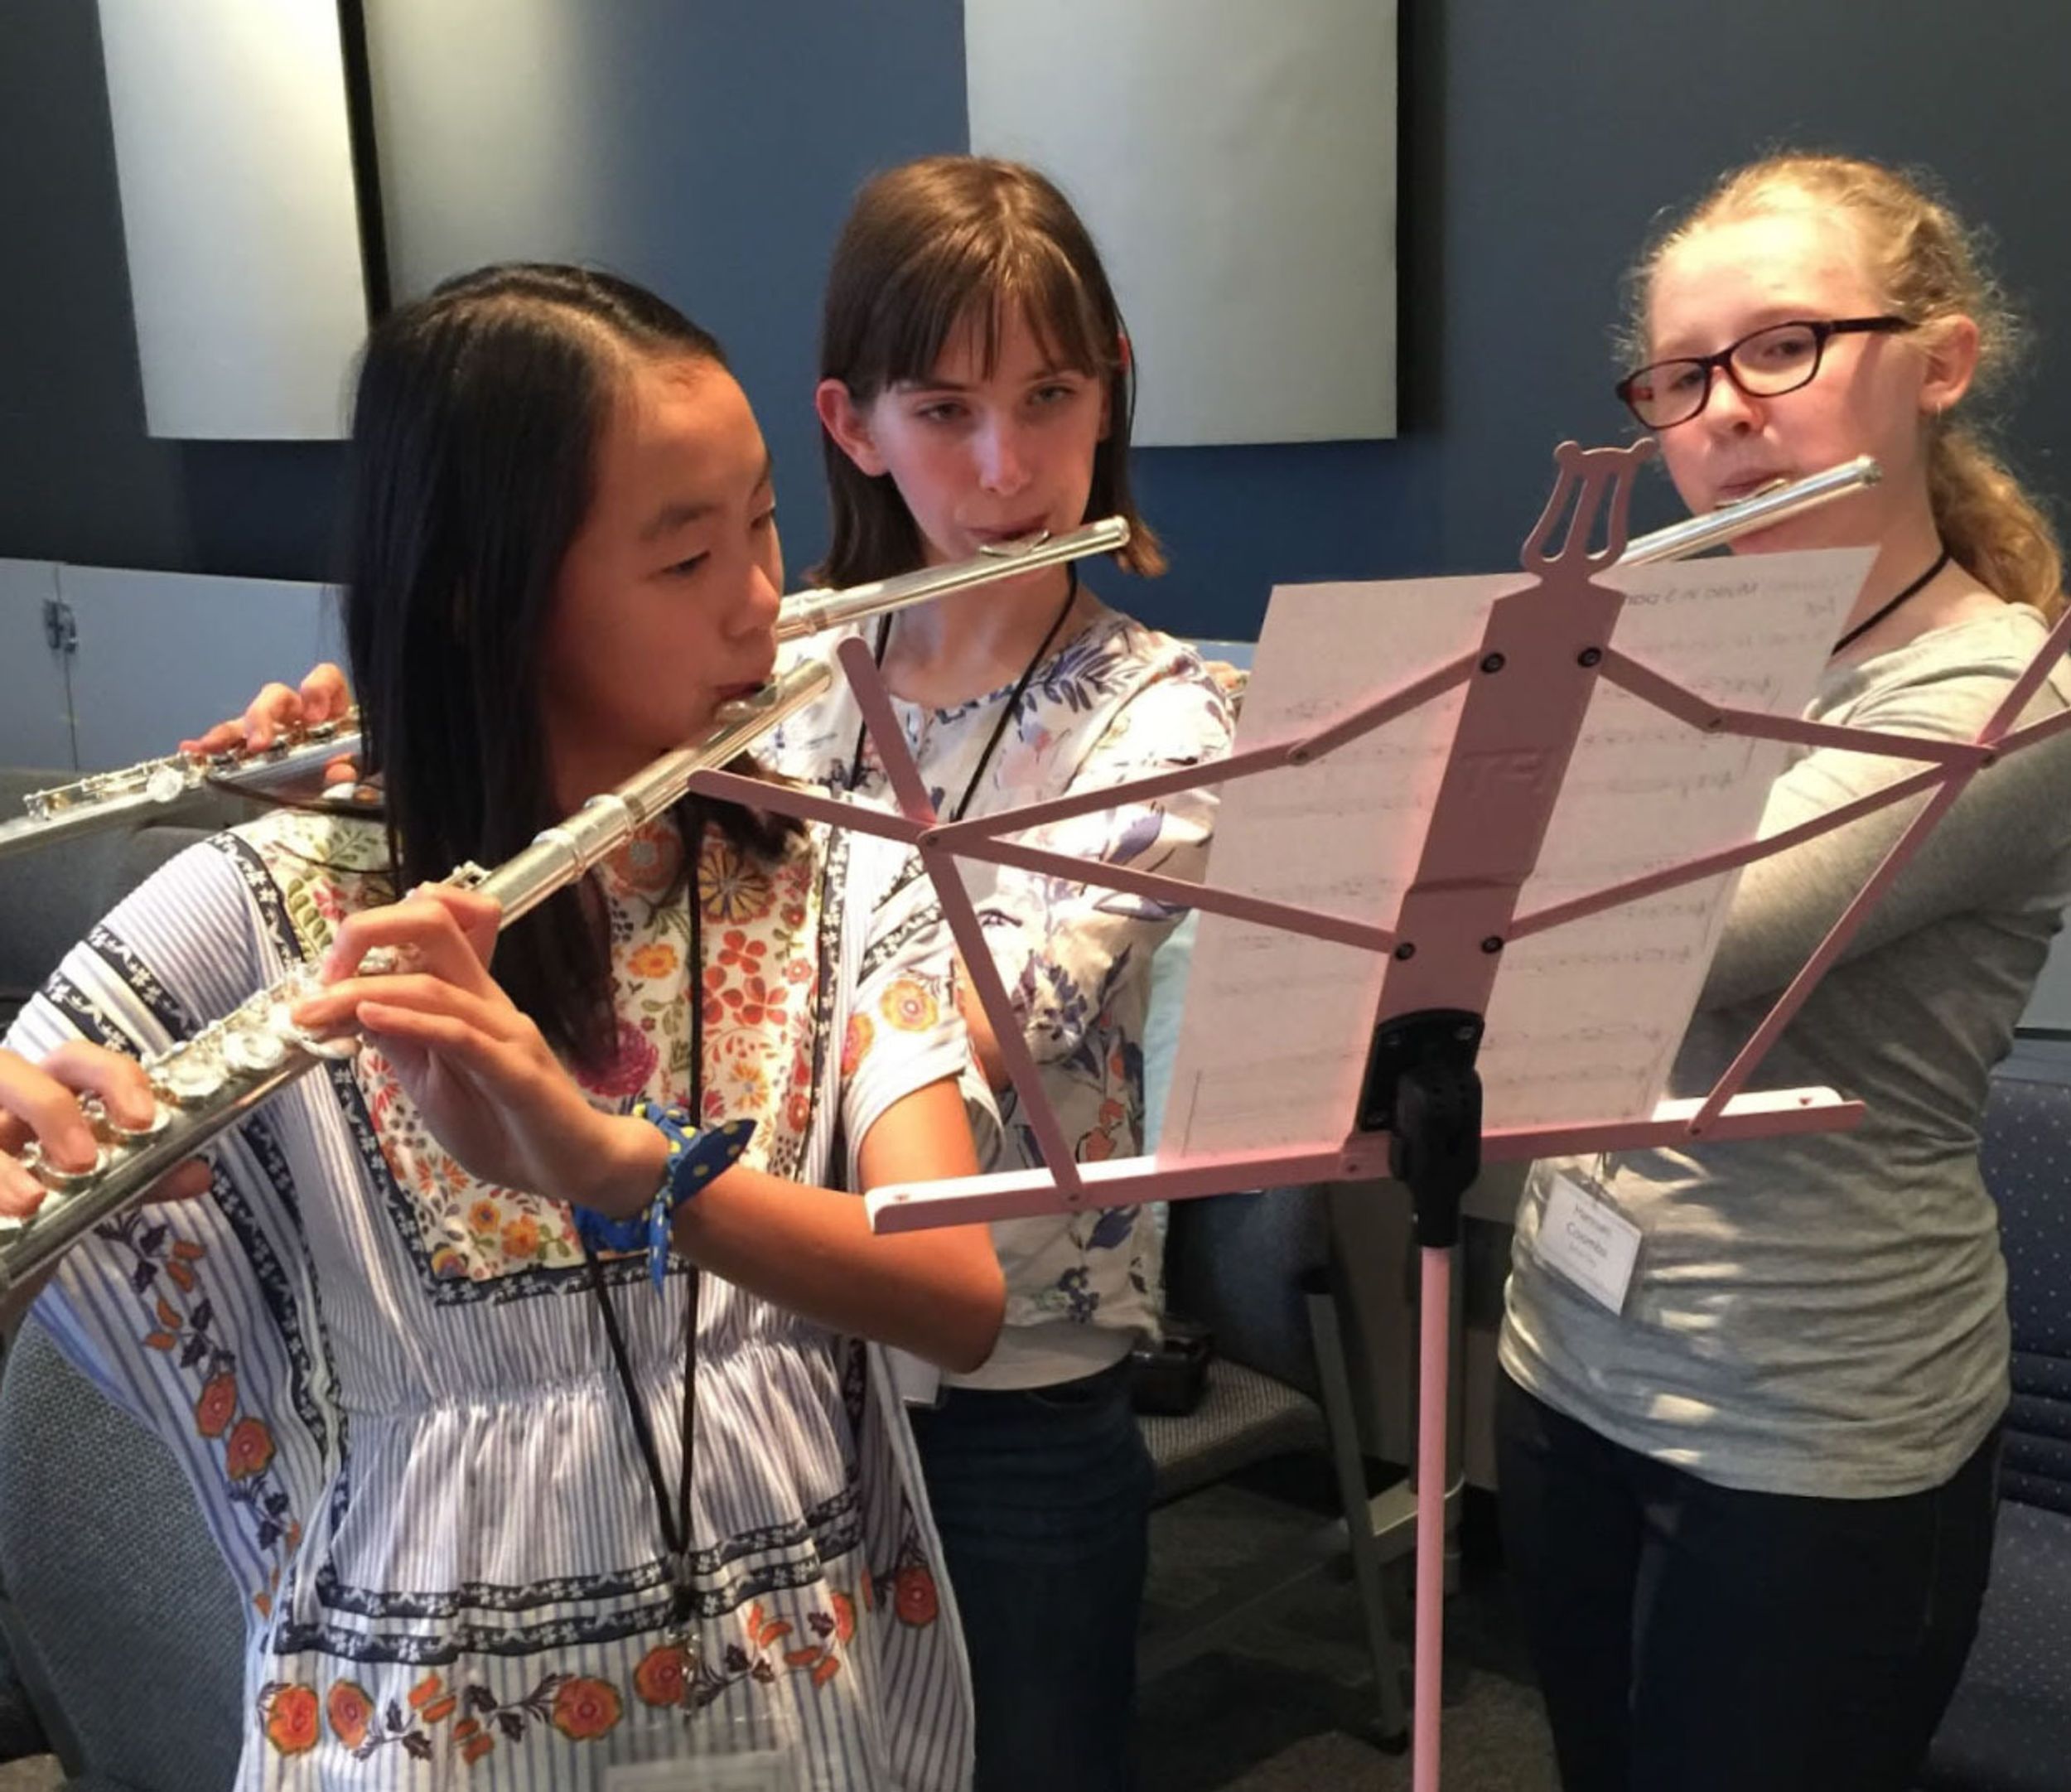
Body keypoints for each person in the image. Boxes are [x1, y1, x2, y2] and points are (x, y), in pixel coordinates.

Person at [204, 158, 1238, 1791]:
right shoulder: (767, 656)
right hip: (750, 1370)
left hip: (1008, 1383)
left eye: (1049, 398)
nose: (1004, 466)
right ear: (852, 425)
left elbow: (954, 1038)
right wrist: (414, 752)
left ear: (1112, 389)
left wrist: (690, 1089)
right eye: (944, 408)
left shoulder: (1166, 716)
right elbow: (603, 891)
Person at [0, 263, 1007, 1790]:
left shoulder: (836, 877)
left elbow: (954, 1295)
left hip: (791, 1691)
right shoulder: (265, 907)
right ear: (486, 594)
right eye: (686, 559)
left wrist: (624, 1170)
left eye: (762, 524)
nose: (760, 600)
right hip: (421, 1730)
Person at [1495, 152, 2071, 1792]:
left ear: (1939, 362)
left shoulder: (1996, 693)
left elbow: (1677, 935)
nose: (1725, 411)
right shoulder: (1654, 651)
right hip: (1565, 1356)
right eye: (1680, 376)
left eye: (1782, 347)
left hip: (1810, 1430)